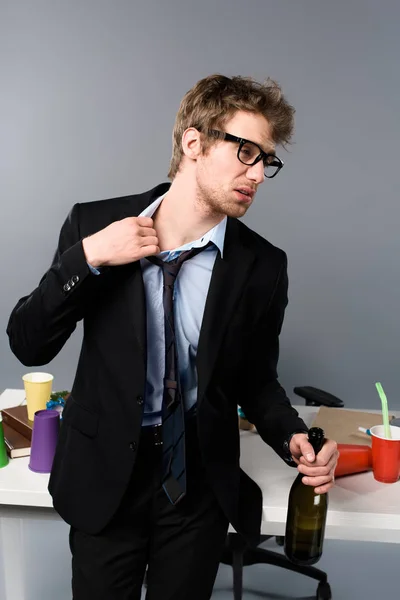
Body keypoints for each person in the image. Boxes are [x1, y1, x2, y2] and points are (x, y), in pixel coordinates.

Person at [7, 74, 338, 600]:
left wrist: (291, 436)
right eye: (246, 152)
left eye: (266, 161)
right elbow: (28, 342)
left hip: (196, 484)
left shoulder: (262, 266)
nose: (258, 175)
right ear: (194, 143)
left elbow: (256, 379)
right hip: (105, 476)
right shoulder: (95, 225)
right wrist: (88, 259)